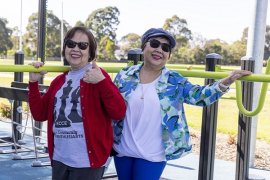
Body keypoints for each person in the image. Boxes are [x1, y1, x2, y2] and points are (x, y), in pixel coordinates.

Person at [112, 28, 252, 180]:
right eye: (154, 44)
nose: (159, 49)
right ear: (143, 47)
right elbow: (110, 103)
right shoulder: (124, 75)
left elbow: (200, 97)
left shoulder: (175, 80)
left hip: (152, 154)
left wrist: (227, 80)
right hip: (123, 149)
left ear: (168, 55)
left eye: (165, 48)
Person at [28, 26, 126, 180]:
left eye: (83, 45)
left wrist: (102, 83)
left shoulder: (98, 77)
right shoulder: (59, 81)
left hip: (87, 163)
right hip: (60, 159)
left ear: (90, 52)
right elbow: (39, 114)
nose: (75, 49)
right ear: (65, 47)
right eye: (71, 44)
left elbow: (119, 111)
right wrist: (33, 83)